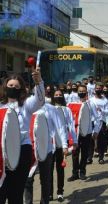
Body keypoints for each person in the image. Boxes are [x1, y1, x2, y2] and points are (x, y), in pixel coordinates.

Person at [0, 69, 44, 204]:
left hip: (22, 151)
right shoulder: (0, 106)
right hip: (2, 153)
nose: (13, 88)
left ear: (21, 89)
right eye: (11, 85)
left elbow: (40, 100)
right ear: (5, 88)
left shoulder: (26, 105)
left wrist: (39, 82)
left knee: (16, 193)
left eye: (17, 86)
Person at [50, 90, 78, 202]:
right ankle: (49, 193)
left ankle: (60, 191)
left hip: (62, 142)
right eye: (55, 95)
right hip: (50, 144)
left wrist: (74, 140)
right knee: (49, 170)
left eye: (60, 95)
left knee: (60, 169)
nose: (58, 96)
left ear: (63, 96)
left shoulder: (66, 110)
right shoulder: (49, 109)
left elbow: (71, 125)